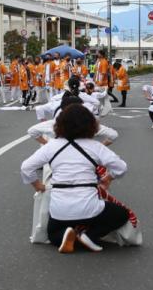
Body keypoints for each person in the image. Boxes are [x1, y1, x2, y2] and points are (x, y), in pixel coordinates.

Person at [20, 103, 129, 253]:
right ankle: (89, 235)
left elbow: (26, 167)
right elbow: (121, 167)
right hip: (90, 207)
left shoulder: (52, 146)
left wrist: (38, 186)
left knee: (53, 235)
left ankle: (66, 235)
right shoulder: (95, 146)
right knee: (121, 215)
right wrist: (108, 178)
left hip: (60, 208)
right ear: (91, 125)